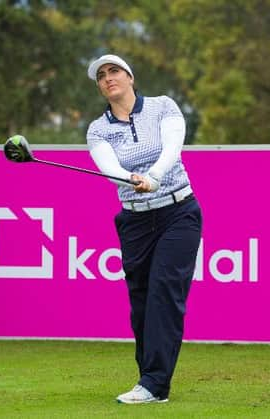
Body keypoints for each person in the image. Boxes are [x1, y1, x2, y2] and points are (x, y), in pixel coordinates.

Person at [85, 54, 202, 404]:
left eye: (114, 71)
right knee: (141, 305)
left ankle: (154, 385)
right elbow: (108, 166)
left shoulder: (162, 107)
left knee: (164, 294)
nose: (108, 78)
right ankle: (147, 379)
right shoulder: (98, 128)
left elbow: (172, 148)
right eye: (101, 76)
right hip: (135, 221)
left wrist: (153, 177)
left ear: (130, 76)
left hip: (178, 212)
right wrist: (131, 179)